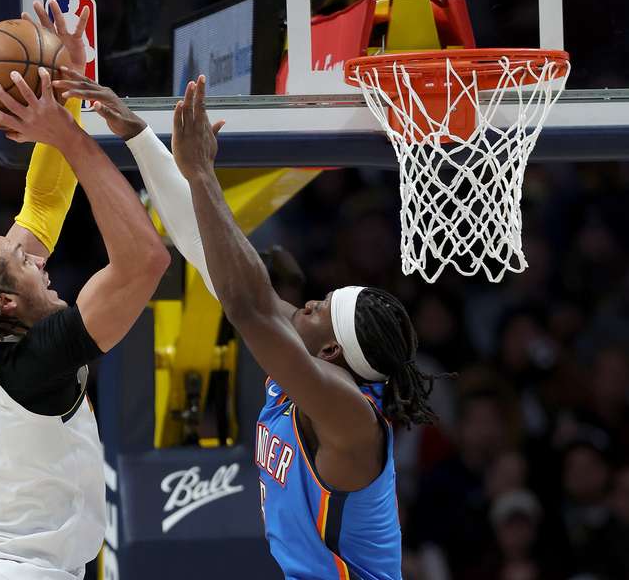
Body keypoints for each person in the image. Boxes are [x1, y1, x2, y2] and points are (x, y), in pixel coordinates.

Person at [56, 71, 446, 579]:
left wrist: (203, 175)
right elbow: (206, 255)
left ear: (330, 351)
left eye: (315, 309)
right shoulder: (314, 369)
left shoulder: (350, 416)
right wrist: (139, 137)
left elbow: (248, 307)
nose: (303, 304)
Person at [0, 2, 169, 580]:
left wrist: (67, 80)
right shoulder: (30, 359)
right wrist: (66, 131)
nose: (37, 256)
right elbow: (145, 259)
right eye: (21, 259)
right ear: (5, 302)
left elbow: (41, 208)